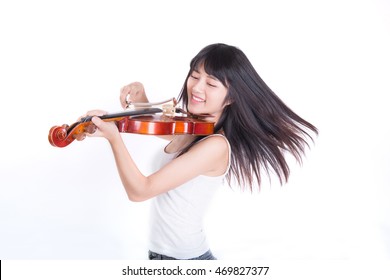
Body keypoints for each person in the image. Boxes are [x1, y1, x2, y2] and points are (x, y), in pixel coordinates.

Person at [82, 43, 318, 260]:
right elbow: (157, 128)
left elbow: (140, 191)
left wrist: (114, 139)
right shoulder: (194, 127)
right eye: (195, 76)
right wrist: (140, 100)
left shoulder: (215, 146)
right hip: (161, 256)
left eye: (211, 83)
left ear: (231, 98)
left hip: (185, 261)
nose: (197, 86)